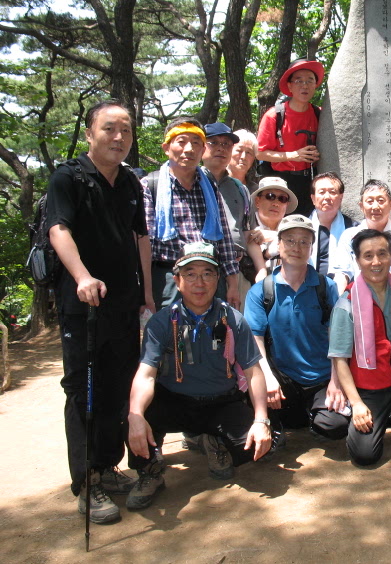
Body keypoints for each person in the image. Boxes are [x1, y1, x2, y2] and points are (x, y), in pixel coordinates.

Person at [47, 100, 154, 524]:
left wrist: (147, 293)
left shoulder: (129, 182)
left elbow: (140, 237)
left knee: (118, 385)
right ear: (90, 133)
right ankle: (87, 481)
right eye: (109, 128)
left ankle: (108, 466)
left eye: (126, 130)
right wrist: (81, 276)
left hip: (124, 303)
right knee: (84, 391)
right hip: (84, 306)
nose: (119, 137)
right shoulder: (68, 177)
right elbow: (58, 228)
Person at [126, 242, 271, 510]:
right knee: (135, 415)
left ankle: (211, 439)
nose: (199, 282)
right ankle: (149, 470)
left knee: (255, 448)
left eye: (207, 273)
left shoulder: (233, 319)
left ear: (218, 278)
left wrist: (261, 419)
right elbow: (145, 375)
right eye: (190, 274)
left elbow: (253, 372)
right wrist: (135, 415)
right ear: (177, 280)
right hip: (174, 401)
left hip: (221, 401)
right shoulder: (161, 322)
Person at [328, 229, 391, 466]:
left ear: (390, 256)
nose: (376, 262)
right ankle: (386, 411)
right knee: (365, 455)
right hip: (372, 384)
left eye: (382, 254)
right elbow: (340, 359)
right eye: (368, 256)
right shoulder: (347, 303)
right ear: (357, 261)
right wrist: (356, 404)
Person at [244, 215, 349, 450]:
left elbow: (338, 336)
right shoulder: (261, 291)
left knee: (335, 426)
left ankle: (311, 416)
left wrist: (336, 380)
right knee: (252, 401)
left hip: (321, 377)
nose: (297, 247)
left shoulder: (326, 287)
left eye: (304, 242)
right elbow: (255, 340)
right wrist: (267, 378)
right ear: (278, 245)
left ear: (311, 248)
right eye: (290, 240)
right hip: (282, 378)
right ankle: (286, 421)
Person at [143, 118, 240, 310]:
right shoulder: (151, 185)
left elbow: (224, 239)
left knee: (213, 328)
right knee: (170, 328)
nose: (189, 149)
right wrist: (145, 291)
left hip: (210, 274)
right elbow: (145, 243)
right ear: (166, 148)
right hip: (169, 277)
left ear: (203, 150)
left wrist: (233, 284)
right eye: (181, 142)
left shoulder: (209, 186)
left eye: (196, 143)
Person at [256, 58, 325, 216]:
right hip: (280, 184)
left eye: (310, 80)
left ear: (315, 85)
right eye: (299, 81)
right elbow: (260, 153)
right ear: (289, 86)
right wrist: (293, 155)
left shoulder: (319, 114)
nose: (305, 85)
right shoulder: (274, 115)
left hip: (310, 182)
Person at [331, 179, 391, 295]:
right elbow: (342, 274)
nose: (375, 206)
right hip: (361, 299)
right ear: (361, 206)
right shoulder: (349, 236)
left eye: (381, 201)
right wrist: (339, 300)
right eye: (370, 201)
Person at [202, 123, 257, 298]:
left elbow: (247, 232)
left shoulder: (240, 189)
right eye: (213, 143)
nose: (221, 148)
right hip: (201, 269)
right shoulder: (191, 182)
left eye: (226, 144)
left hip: (237, 269)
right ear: (201, 147)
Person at [247, 176, 298, 282]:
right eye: (270, 196)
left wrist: (276, 236)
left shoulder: (294, 228)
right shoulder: (245, 225)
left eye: (282, 199)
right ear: (257, 201)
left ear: (287, 205)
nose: (276, 203)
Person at [308, 172, 358, 277]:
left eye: (332, 192)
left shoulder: (354, 229)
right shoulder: (302, 227)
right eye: (321, 192)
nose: (327, 197)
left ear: (341, 197)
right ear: (313, 198)